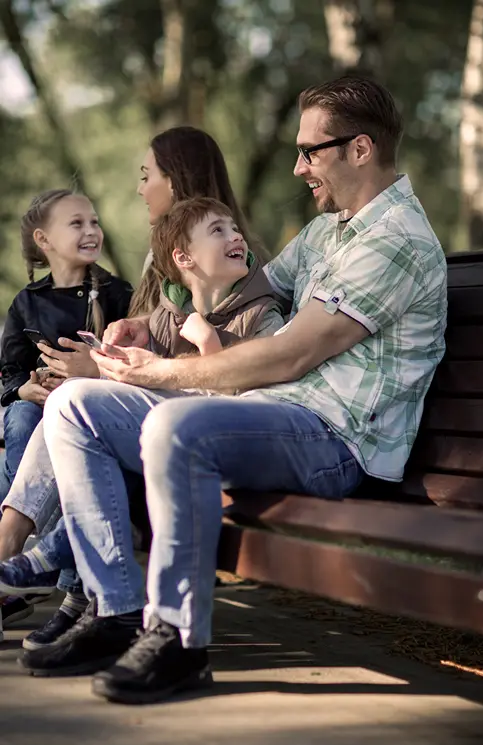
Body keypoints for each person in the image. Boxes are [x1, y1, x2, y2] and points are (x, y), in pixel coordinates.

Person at [15, 78, 447, 706]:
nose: (300, 166)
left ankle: (179, 642)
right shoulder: (333, 231)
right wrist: (153, 323)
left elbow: (291, 352)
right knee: (76, 405)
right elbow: (243, 288)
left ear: (359, 150)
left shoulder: (395, 241)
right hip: (275, 416)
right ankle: (114, 612)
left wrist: (157, 373)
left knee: (174, 426)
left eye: (311, 152)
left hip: (338, 440)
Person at [0, 127, 274, 645]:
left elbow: (237, 376)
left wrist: (103, 369)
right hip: (160, 411)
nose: (140, 188)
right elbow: (156, 347)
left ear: (176, 182)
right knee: (53, 410)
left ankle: (50, 566)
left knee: (79, 411)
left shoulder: (241, 278)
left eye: (148, 176)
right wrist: (121, 346)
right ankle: (41, 562)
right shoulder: (171, 277)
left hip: (196, 426)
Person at [0, 188, 133, 628]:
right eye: (76, 224)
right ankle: (34, 541)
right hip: (38, 409)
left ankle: (47, 570)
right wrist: (26, 390)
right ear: (44, 240)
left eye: (94, 221)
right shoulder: (27, 303)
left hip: (89, 408)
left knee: (65, 430)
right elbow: (9, 373)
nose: (91, 230)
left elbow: (131, 362)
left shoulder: (116, 293)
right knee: (19, 418)